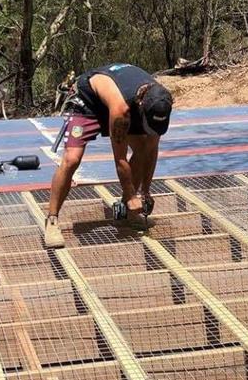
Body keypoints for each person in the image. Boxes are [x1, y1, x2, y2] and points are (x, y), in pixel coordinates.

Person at [45, 63, 173, 248]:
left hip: (124, 101)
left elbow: (151, 151)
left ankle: (126, 215)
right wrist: (131, 195)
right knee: (72, 159)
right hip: (88, 101)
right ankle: (52, 219)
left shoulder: (160, 104)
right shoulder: (122, 110)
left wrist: (145, 192)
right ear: (141, 107)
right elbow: (119, 159)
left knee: (144, 148)